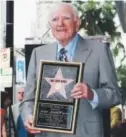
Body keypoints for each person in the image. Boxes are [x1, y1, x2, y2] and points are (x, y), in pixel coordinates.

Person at [19, 2, 121, 137]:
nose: (60, 23)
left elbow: (114, 94)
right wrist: (28, 116)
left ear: (77, 23)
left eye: (66, 18)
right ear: (50, 26)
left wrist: (92, 94)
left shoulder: (99, 51)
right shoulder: (38, 53)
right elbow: (28, 99)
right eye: (55, 19)